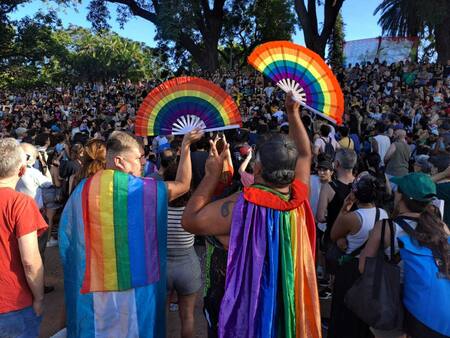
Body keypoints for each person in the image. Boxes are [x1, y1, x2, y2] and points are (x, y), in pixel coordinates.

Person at [182, 93, 321, 337]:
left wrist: (211, 176)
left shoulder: (242, 205)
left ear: (256, 168)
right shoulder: (299, 197)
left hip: (246, 306)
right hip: (285, 296)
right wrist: (293, 113)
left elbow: (190, 220)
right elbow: (306, 154)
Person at [59, 130, 202, 337]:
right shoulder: (140, 189)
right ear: (119, 161)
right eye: (137, 158)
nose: (142, 162)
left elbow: (71, 239)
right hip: (136, 286)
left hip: (95, 285)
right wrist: (186, 146)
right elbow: (183, 185)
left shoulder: (83, 188)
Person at [360, 173, 449, 338]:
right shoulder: (442, 228)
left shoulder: (386, 227)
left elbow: (363, 266)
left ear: (400, 196)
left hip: (394, 303)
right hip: (432, 310)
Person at [328, 174, 388, 338]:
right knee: (363, 312)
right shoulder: (383, 214)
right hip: (372, 267)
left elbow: (333, 234)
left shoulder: (353, 217)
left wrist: (345, 206)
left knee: (344, 311)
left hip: (350, 269)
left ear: (355, 194)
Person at [0, 138, 48, 337]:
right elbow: (30, 261)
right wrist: (39, 297)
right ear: (21, 170)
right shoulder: (21, 203)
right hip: (13, 303)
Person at [163, 155, 202, 338]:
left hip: (161, 267)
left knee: (159, 318)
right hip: (188, 266)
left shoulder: (156, 207)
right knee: (187, 317)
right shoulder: (193, 209)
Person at [316, 149, 357, 255]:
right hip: (356, 238)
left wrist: (330, 217)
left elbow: (320, 217)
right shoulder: (361, 184)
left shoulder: (328, 187)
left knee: (331, 269)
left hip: (333, 237)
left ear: (337, 164)